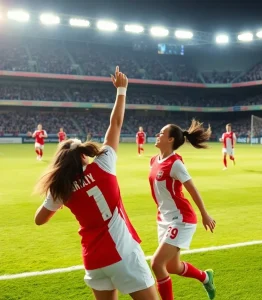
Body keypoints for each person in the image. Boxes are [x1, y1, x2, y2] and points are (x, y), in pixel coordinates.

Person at [34, 66, 158, 300]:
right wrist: (121, 90)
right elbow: (116, 124)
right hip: (123, 254)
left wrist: (58, 201)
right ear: (83, 154)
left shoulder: (61, 187)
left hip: (93, 261)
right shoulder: (103, 164)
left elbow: (39, 219)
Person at [148, 120, 216, 300]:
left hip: (181, 219)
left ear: (170, 139)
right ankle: (205, 277)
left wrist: (204, 214)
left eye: (161, 133)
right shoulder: (154, 160)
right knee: (172, 267)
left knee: (156, 264)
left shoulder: (176, 164)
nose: (157, 135)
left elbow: (192, 189)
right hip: (163, 219)